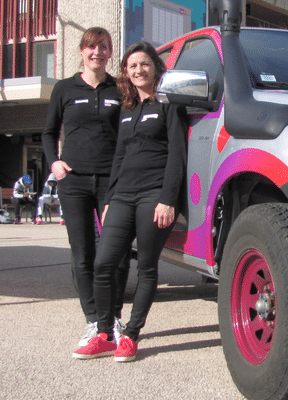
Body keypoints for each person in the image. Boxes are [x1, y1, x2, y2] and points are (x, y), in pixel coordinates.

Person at [73, 41, 187, 362]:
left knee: (147, 267)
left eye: (144, 64)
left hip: (154, 196)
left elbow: (177, 155)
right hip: (122, 196)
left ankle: (131, 335)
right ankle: (105, 333)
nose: (138, 70)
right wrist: (109, 199)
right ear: (126, 71)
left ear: (155, 68)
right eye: (132, 66)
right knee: (103, 263)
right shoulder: (127, 108)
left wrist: (168, 198)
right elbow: (119, 157)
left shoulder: (169, 104)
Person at [41, 27, 130, 347]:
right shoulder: (65, 88)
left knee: (116, 253)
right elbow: (49, 132)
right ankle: (94, 321)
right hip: (74, 182)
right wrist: (54, 163)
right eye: (92, 47)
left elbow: (127, 133)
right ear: (82, 51)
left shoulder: (119, 89)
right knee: (83, 253)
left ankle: (114, 317)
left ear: (109, 52)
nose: (98, 52)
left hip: (111, 181)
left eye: (104, 47)